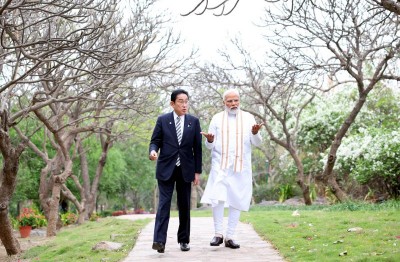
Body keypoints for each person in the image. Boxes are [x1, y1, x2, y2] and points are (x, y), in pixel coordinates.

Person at [200, 88, 263, 249]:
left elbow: (257, 143)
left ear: (239, 101)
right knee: (217, 198)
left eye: (236, 100)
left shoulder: (248, 118)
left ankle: (231, 236)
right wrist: (209, 140)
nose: (233, 104)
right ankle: (218, 234)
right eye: (230, 101)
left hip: (240, 166)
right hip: (220, 165)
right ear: (224, 103)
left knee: (237, 198)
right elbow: (209, 146)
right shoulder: (217, 118)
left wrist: (255, 133)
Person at [149, 89, 202, 253]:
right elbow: (155, 141)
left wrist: (197, 172)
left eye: (186, 101)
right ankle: (159, 241)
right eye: (180, 101)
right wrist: (153, 151)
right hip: (166, 168)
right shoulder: (163, 120)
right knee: (163, 205)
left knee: (184, 206)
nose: (184, 105)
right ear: (172, 103)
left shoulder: (193, 121)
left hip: (186, 169)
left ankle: (184, 240)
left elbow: (197, 149)